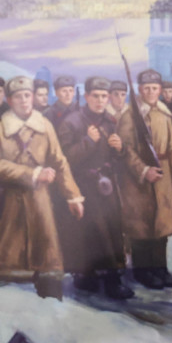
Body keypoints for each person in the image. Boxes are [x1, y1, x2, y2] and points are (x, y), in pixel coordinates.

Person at [0, 76, 83, 298]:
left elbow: (59, 161)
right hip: (8, 203)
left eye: (27, 95)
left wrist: (73, 196)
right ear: (9, 100)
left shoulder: (45, 126)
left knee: (47, 263)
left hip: (40, 202)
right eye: (18, 97)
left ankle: (48, 300)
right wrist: (32, 174)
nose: (24, 100)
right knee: (4, 271)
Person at [58, 76, 131, 300]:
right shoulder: (71, 122)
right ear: (87, 96)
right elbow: (64, 160)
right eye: (96, 96)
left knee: (112, 230)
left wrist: (120, 149)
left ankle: (112, 279)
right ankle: (86, 276)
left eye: (104, 96)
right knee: (88, 234)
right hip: (83, 187)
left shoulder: (110, 122)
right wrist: (88, 142)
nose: (100, 101)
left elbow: (117, 158)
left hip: (106, 186)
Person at [116, 69, 172, 289]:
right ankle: (142, 271)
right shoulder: (129, 115)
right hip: (137, 179)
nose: (150, 92)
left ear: (160, 90)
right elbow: (126, 150)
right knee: (142, 226)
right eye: (146, 88)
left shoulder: (164, 113)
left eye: (154, 88)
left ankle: (160, 267)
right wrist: (144, 170)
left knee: (161, 224)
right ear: (139, 89)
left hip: (163, 175)